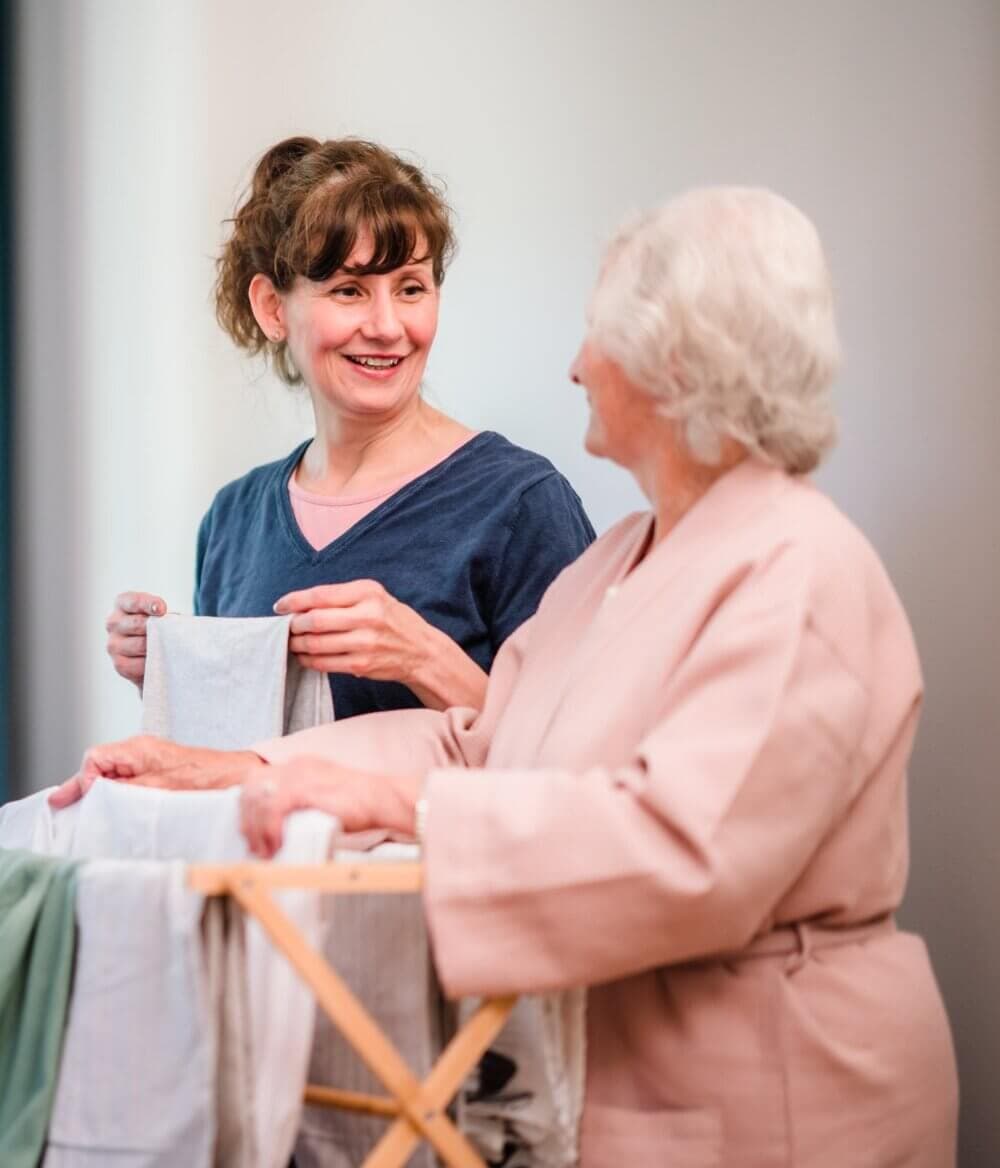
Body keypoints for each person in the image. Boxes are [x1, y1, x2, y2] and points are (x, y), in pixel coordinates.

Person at [55, 187, 959, 1166]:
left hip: (779, 1090)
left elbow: (683, 853)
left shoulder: (798, 568)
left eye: (596, 337)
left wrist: (417, 813)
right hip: (623, 1075)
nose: (573, 366)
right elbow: (477, 739)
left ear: (677, 363)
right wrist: (240, 769)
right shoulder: (622, 558)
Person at [103, 136, 594, 717]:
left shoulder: (520, 505)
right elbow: (237, 759)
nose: (387, 326)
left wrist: (421, 658)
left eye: (411, 288)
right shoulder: (232, 522)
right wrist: (174, 671)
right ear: (272, 309)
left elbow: (579, 762)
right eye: (349, 291)